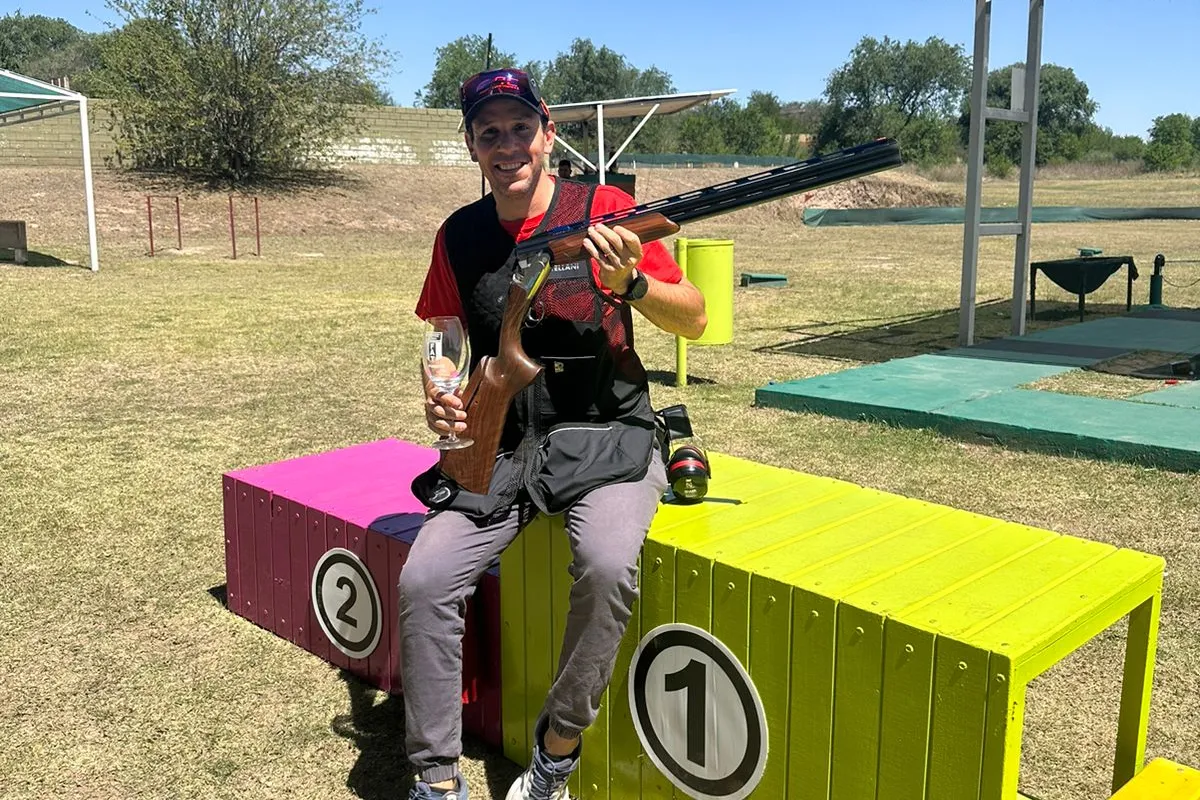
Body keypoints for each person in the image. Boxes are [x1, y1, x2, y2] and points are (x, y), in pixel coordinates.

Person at [400, 67, 707, 800]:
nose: (506, 145)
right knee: (423, 579)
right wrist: (441, 391)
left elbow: (693, 315)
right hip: (503, 441)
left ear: (549, 134)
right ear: (472, 147)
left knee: (605, 566)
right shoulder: (460, 235)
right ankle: (436, 779)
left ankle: (555, 756)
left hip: (609, 436)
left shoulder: (606, 209)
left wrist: (632, 285)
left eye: (519, 129)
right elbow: (443, 333)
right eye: (488, 133)